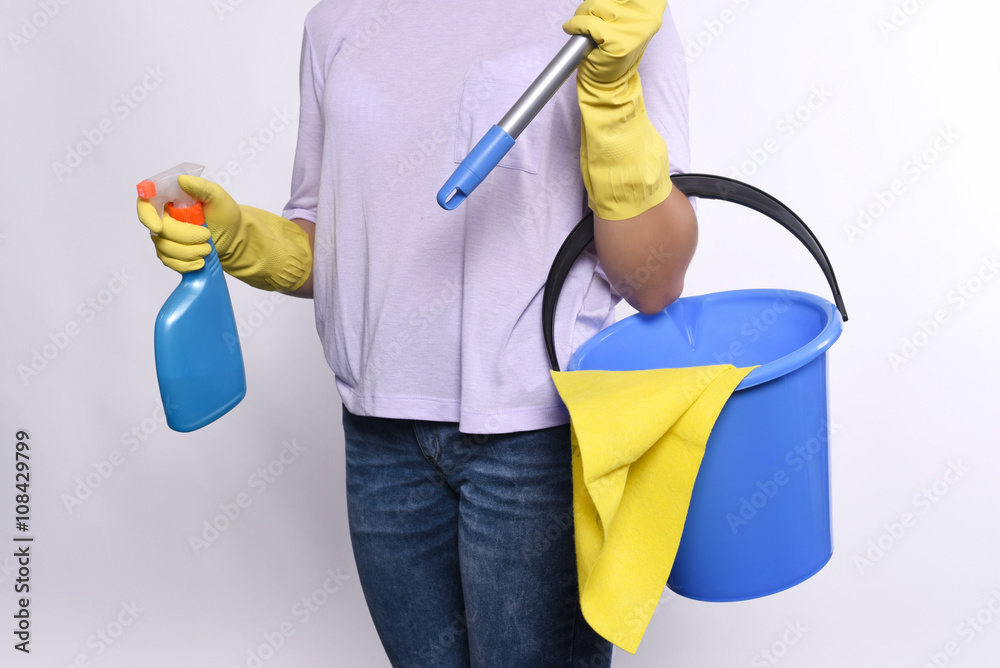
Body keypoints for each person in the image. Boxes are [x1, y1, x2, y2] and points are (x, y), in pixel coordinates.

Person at [136, 0, 697, 665]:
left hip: (536, 439)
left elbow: (653, 281)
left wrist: (610, 97)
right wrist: (243, 238)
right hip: (380, 442)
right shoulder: (336, 20)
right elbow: (331, 241)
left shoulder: (610, 19)